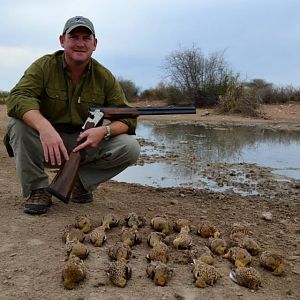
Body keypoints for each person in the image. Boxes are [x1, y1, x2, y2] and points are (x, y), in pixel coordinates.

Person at [4, 16, 140, 215]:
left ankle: (78, 183)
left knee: (130, 147)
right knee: (17, 124)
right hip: (47, 144)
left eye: (86, 38)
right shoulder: (44, 66)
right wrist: (44, 127)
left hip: (83, 145)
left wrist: (105, 130)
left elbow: (128, 116)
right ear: (62, 40)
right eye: (73, 37)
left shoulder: (104, 76)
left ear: (95, 44)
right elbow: (18, 98)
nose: (80, 43)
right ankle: (37, 189)